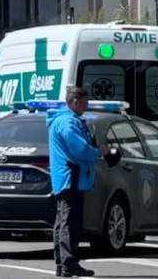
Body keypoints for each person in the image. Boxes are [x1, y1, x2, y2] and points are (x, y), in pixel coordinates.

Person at [47, 87, 108, 277]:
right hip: (70, 176)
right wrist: (101, 152)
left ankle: (63, 263)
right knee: (69, 222)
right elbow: (80, 150)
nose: (86, 106)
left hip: (66, 176)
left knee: (63, 221)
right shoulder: (67, 122)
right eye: (84, 103)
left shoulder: (62, 120)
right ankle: (68, 263)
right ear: (75, 102)